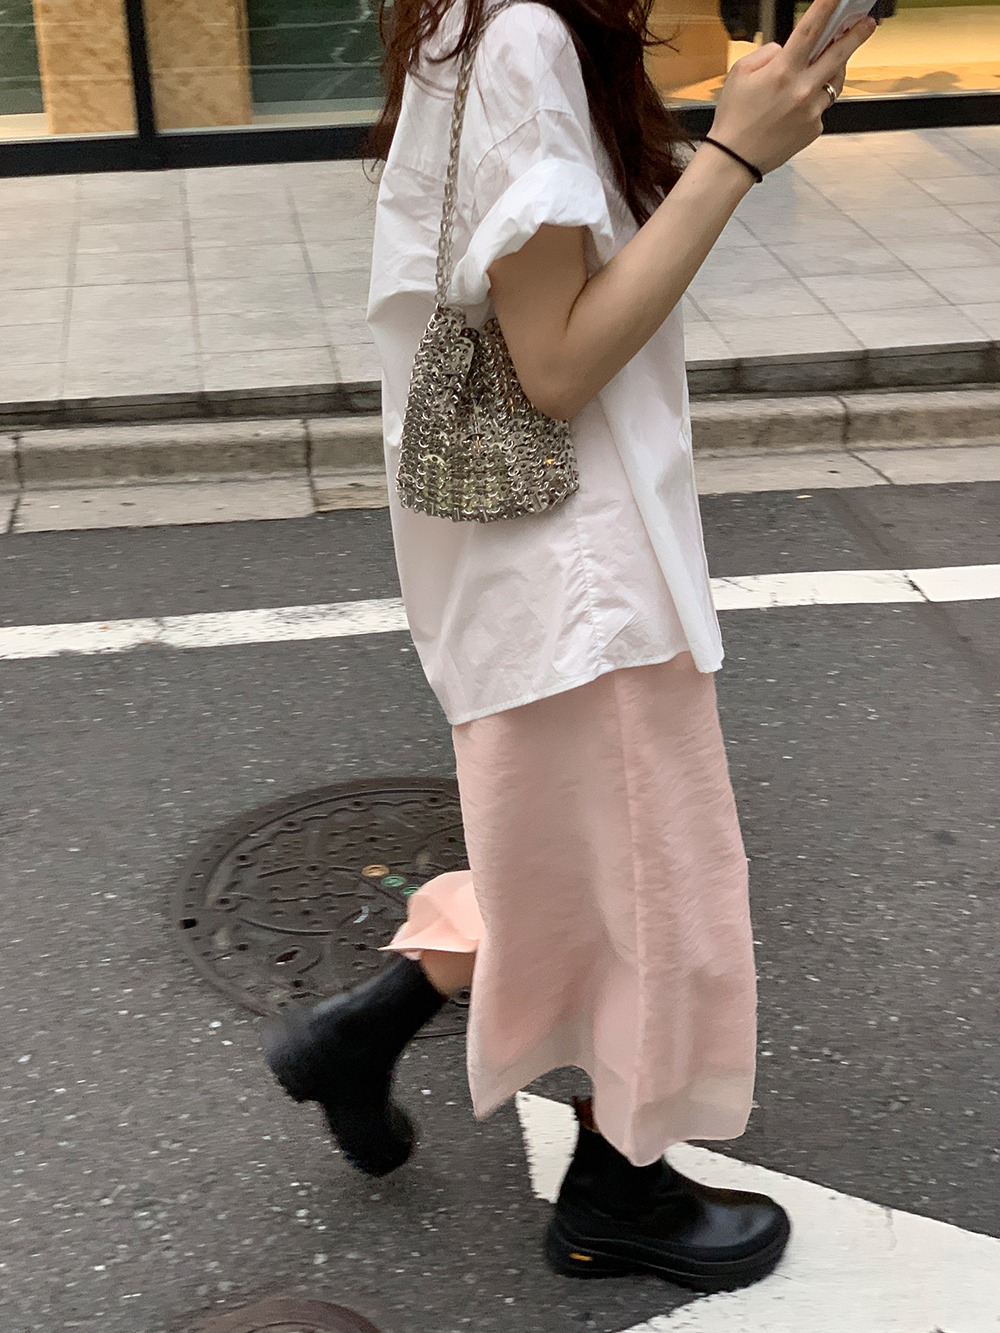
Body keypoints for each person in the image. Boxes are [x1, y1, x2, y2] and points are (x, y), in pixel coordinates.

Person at [264, 0, 875, 1293]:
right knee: (657, 888)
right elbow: (553, 364)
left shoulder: (475, 23)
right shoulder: (527, 36)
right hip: (581, 568)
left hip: (529, 561)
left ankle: (362, 1034)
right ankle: (614, 1196)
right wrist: (736, 157)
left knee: (577, 865)